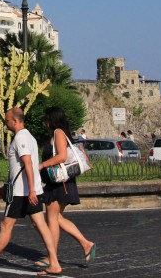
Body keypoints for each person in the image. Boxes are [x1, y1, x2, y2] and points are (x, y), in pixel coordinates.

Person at [0, 108, 61, 275]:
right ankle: (54, 263)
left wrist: (31, 190)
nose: (5, 124)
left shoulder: (21, 138)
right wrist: (7, 187)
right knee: (41, 225)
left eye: (7, 121)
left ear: (15, 121)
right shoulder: (29, 137)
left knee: (6, 225)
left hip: (22, 193)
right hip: (29, 191)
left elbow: (27, 165)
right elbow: (19, 168)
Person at [34, 107, 96, 269]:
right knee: (56, 218)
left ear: (52, 120)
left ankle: (52, 256)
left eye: (46, 119)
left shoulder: (59, 133)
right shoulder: (59, 133)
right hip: (56, 183)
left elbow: (62, 156)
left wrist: (42, 165)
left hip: (61, 183)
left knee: (53, 219)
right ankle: (85, 244)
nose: (45, 123)